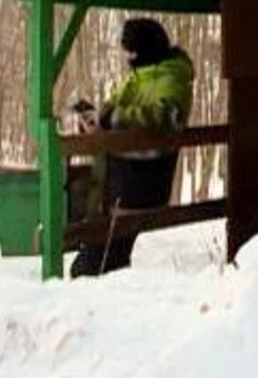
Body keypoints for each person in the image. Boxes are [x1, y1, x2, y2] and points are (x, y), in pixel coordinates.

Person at [70, 17, 194, 277]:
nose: (127, 58)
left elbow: (165, 116)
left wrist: (116, 117)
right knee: (90, 255)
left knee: (93, 264)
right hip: (115, 179)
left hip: (144, 180)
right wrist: (95, 122)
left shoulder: (172, 78)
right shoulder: (134, 79)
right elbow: (110, 110)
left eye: (131, 52)